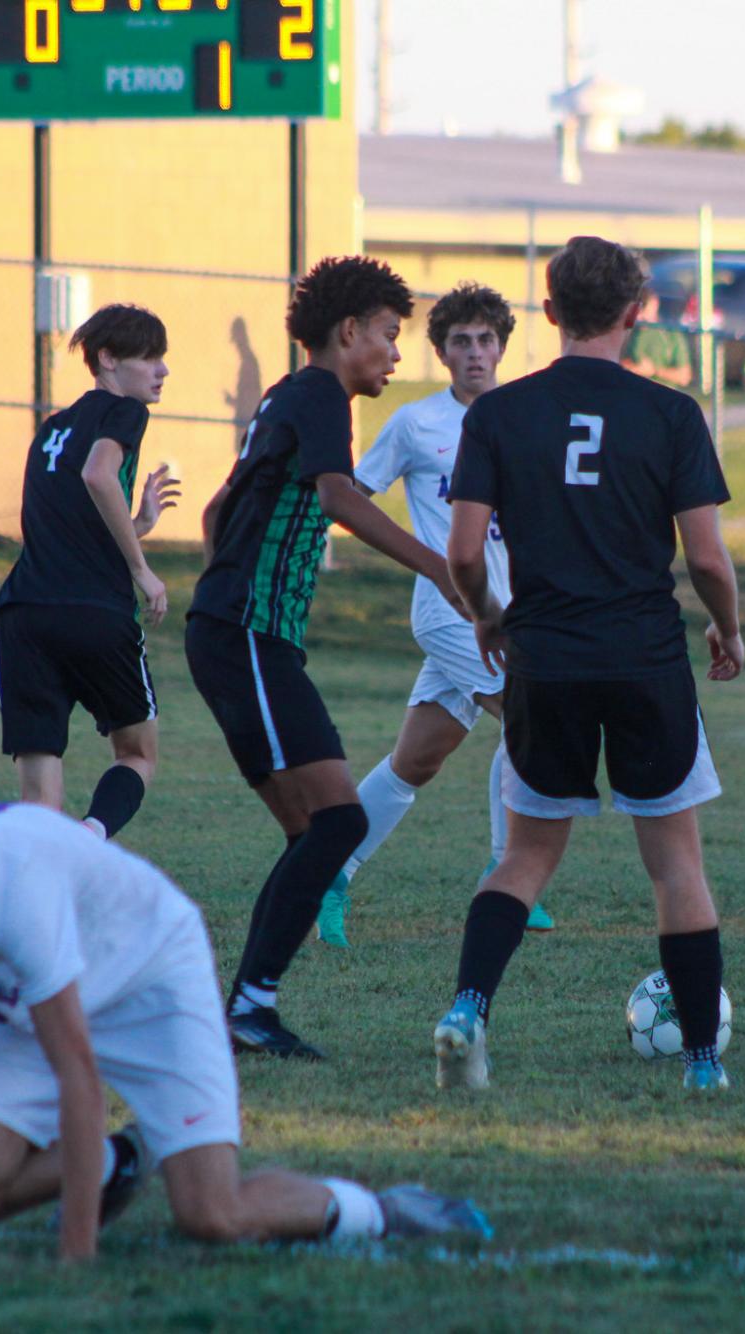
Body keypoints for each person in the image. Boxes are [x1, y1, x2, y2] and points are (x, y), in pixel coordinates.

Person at [0, 802, 492, 1261]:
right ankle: (120, 1164)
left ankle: (383, 1210)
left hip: (152, 979)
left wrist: (77, 1258)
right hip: (33, 1000)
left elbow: (79, 1078)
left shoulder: (14, 891)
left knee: (210, 1216)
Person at [431, 236, 744, 1094]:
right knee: (676, 864)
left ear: (547, 313)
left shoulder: (494, 415)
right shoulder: (671, 414)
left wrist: (489, 616)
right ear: (636, 313)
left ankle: (465, 1010)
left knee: (525, 859)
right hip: (645, 659)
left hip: (545, 659)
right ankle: (703, 1063)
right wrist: (729, 630)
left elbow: (463, 550)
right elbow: (708, 561)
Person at [186, 255, 463, 1061]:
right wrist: (438, 566)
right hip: (246, 636)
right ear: (348, 332)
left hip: (238, 631)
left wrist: (229, 583)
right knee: (335, 823)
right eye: (387, 334)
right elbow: (339, 497)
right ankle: (245, 1007)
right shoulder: (317, 393)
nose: (394, 353)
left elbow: (216, 508)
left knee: (318, 831)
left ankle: (242, 1009)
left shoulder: (286, 397)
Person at [315, 281, 556, 949]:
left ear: (502, 347)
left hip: (512, 613)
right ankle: (507, 874)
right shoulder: (416, 423)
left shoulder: (526, 419)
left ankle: (330, 872)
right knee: (531, 717)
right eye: (460, 342)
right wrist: (423, 561)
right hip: (450, 612)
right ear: (441, 354)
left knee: (415, 761)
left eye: (485, 340)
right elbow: (350, 497)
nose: (474, 352)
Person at [0, 303, 181, 842]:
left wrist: (138, 522)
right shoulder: (122, 412)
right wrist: (142, 571)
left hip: (23, 615)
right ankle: (91, 835)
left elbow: (66, 524)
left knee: (37, 801)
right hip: (93, 613)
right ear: (108, 359)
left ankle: (40, 908)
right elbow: (100, 474)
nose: (162, 370)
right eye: (150, 357)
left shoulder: (50, 430)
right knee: (138, 753)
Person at [618, 289, 693, 389]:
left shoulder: (671, 334)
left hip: (664, 396)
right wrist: (635, 369)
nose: (640, 314)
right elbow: (616, 364)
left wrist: (655, 371)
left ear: (655, 303)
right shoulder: (628, 332)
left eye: (644, 306)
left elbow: (684, 377)